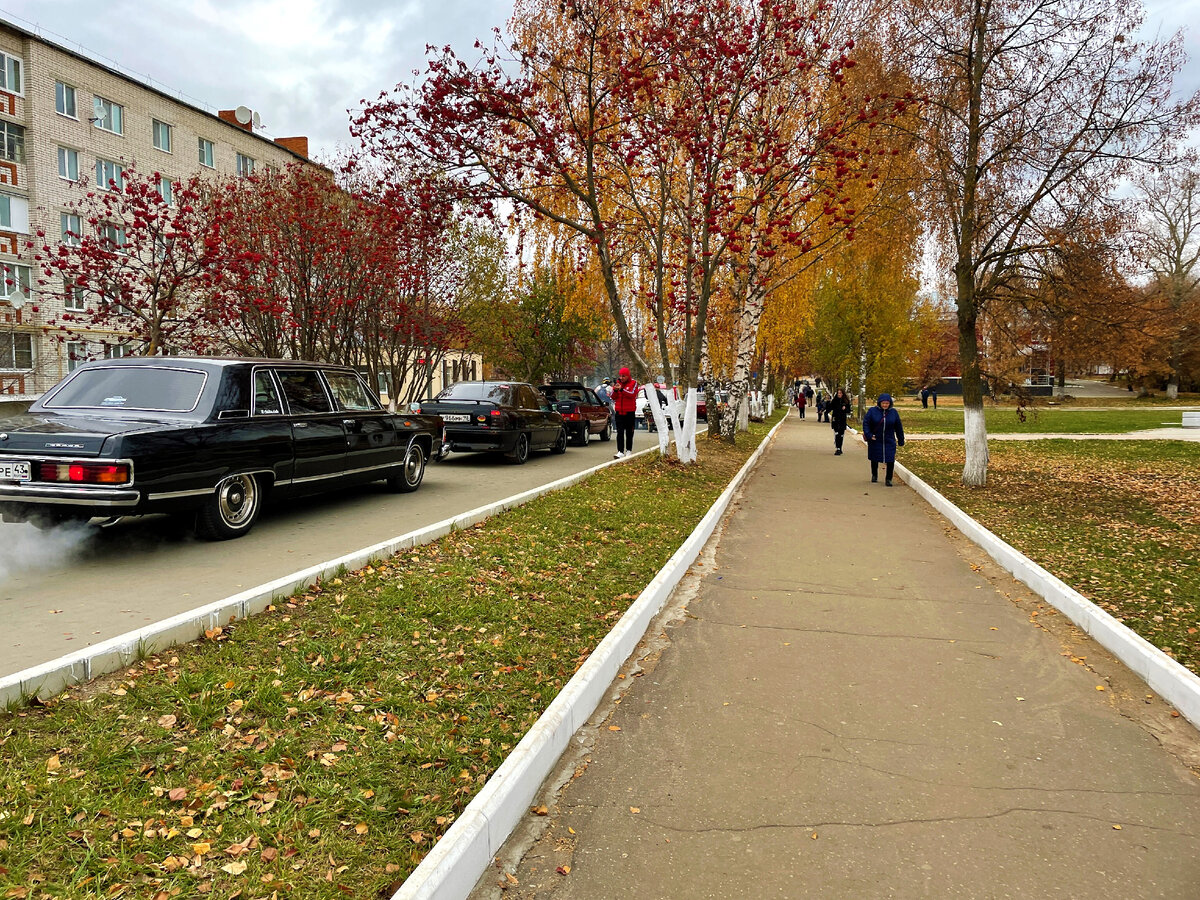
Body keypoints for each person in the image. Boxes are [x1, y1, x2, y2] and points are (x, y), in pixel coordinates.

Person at [862, 392, 905, 486]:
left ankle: (888, 479)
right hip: (875, 439)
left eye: (887, 403)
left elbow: (898, 427)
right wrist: (869, 435)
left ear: (890, 403)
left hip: (889, 439)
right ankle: (874, 474)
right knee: (875, 458)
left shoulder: (893, 412)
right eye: (883, 403)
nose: (885, 405)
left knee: (890, 459)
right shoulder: (872, 411)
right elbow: (866, 424)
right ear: (879, 403)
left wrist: (901, 439)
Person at [610, 367, 639, 458]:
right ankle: (620, 451)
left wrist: (621, 389)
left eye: (623, 376)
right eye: (620, 376)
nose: (621, 378)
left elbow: (632, 394)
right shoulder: (617, 383)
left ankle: (629, 450)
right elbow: (613, 397)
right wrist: (615, 390)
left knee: (629, 432)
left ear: (628, 376)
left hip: (629, 411)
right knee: (620, 432)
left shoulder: (633, 383)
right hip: (619, 411)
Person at [828, 388, 852, 454]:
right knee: (837, 433)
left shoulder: (846, 401)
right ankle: (838, 448)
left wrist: (845, 408)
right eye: (838, 393)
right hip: (835, 419)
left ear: (843, 394)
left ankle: (840, 448)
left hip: (842, 419)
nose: (839, 394)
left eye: (840, 393)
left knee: (841, 434)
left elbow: (849, 410)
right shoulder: (835, 400)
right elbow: (830, 407)